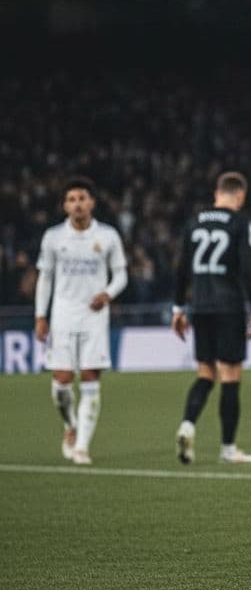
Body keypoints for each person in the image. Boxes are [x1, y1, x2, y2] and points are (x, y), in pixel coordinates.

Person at [34, 176, 128, 465]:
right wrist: (41, 315)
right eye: (72, 199)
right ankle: (70, 426)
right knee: (61, 384)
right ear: (65, 205)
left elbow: (121, 275)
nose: (77, 204)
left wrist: (107, 294)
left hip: (94, 317)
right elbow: (45, 278)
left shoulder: (108, 236)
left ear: (92, 203)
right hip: (62, 315)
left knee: (90, 379)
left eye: (82, 198)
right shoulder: (53, 237)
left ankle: (82, 447)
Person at [172, 171, 251, 465]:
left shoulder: (193, 221)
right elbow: (248, 268)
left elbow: (181, 268)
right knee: (231, 376)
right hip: (229, 305)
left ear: (217, 193)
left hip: (199, 305)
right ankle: (227, 449)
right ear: (240, 196)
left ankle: (187, 425)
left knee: (205, 373)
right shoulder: (241, 222)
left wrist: (178, 308)